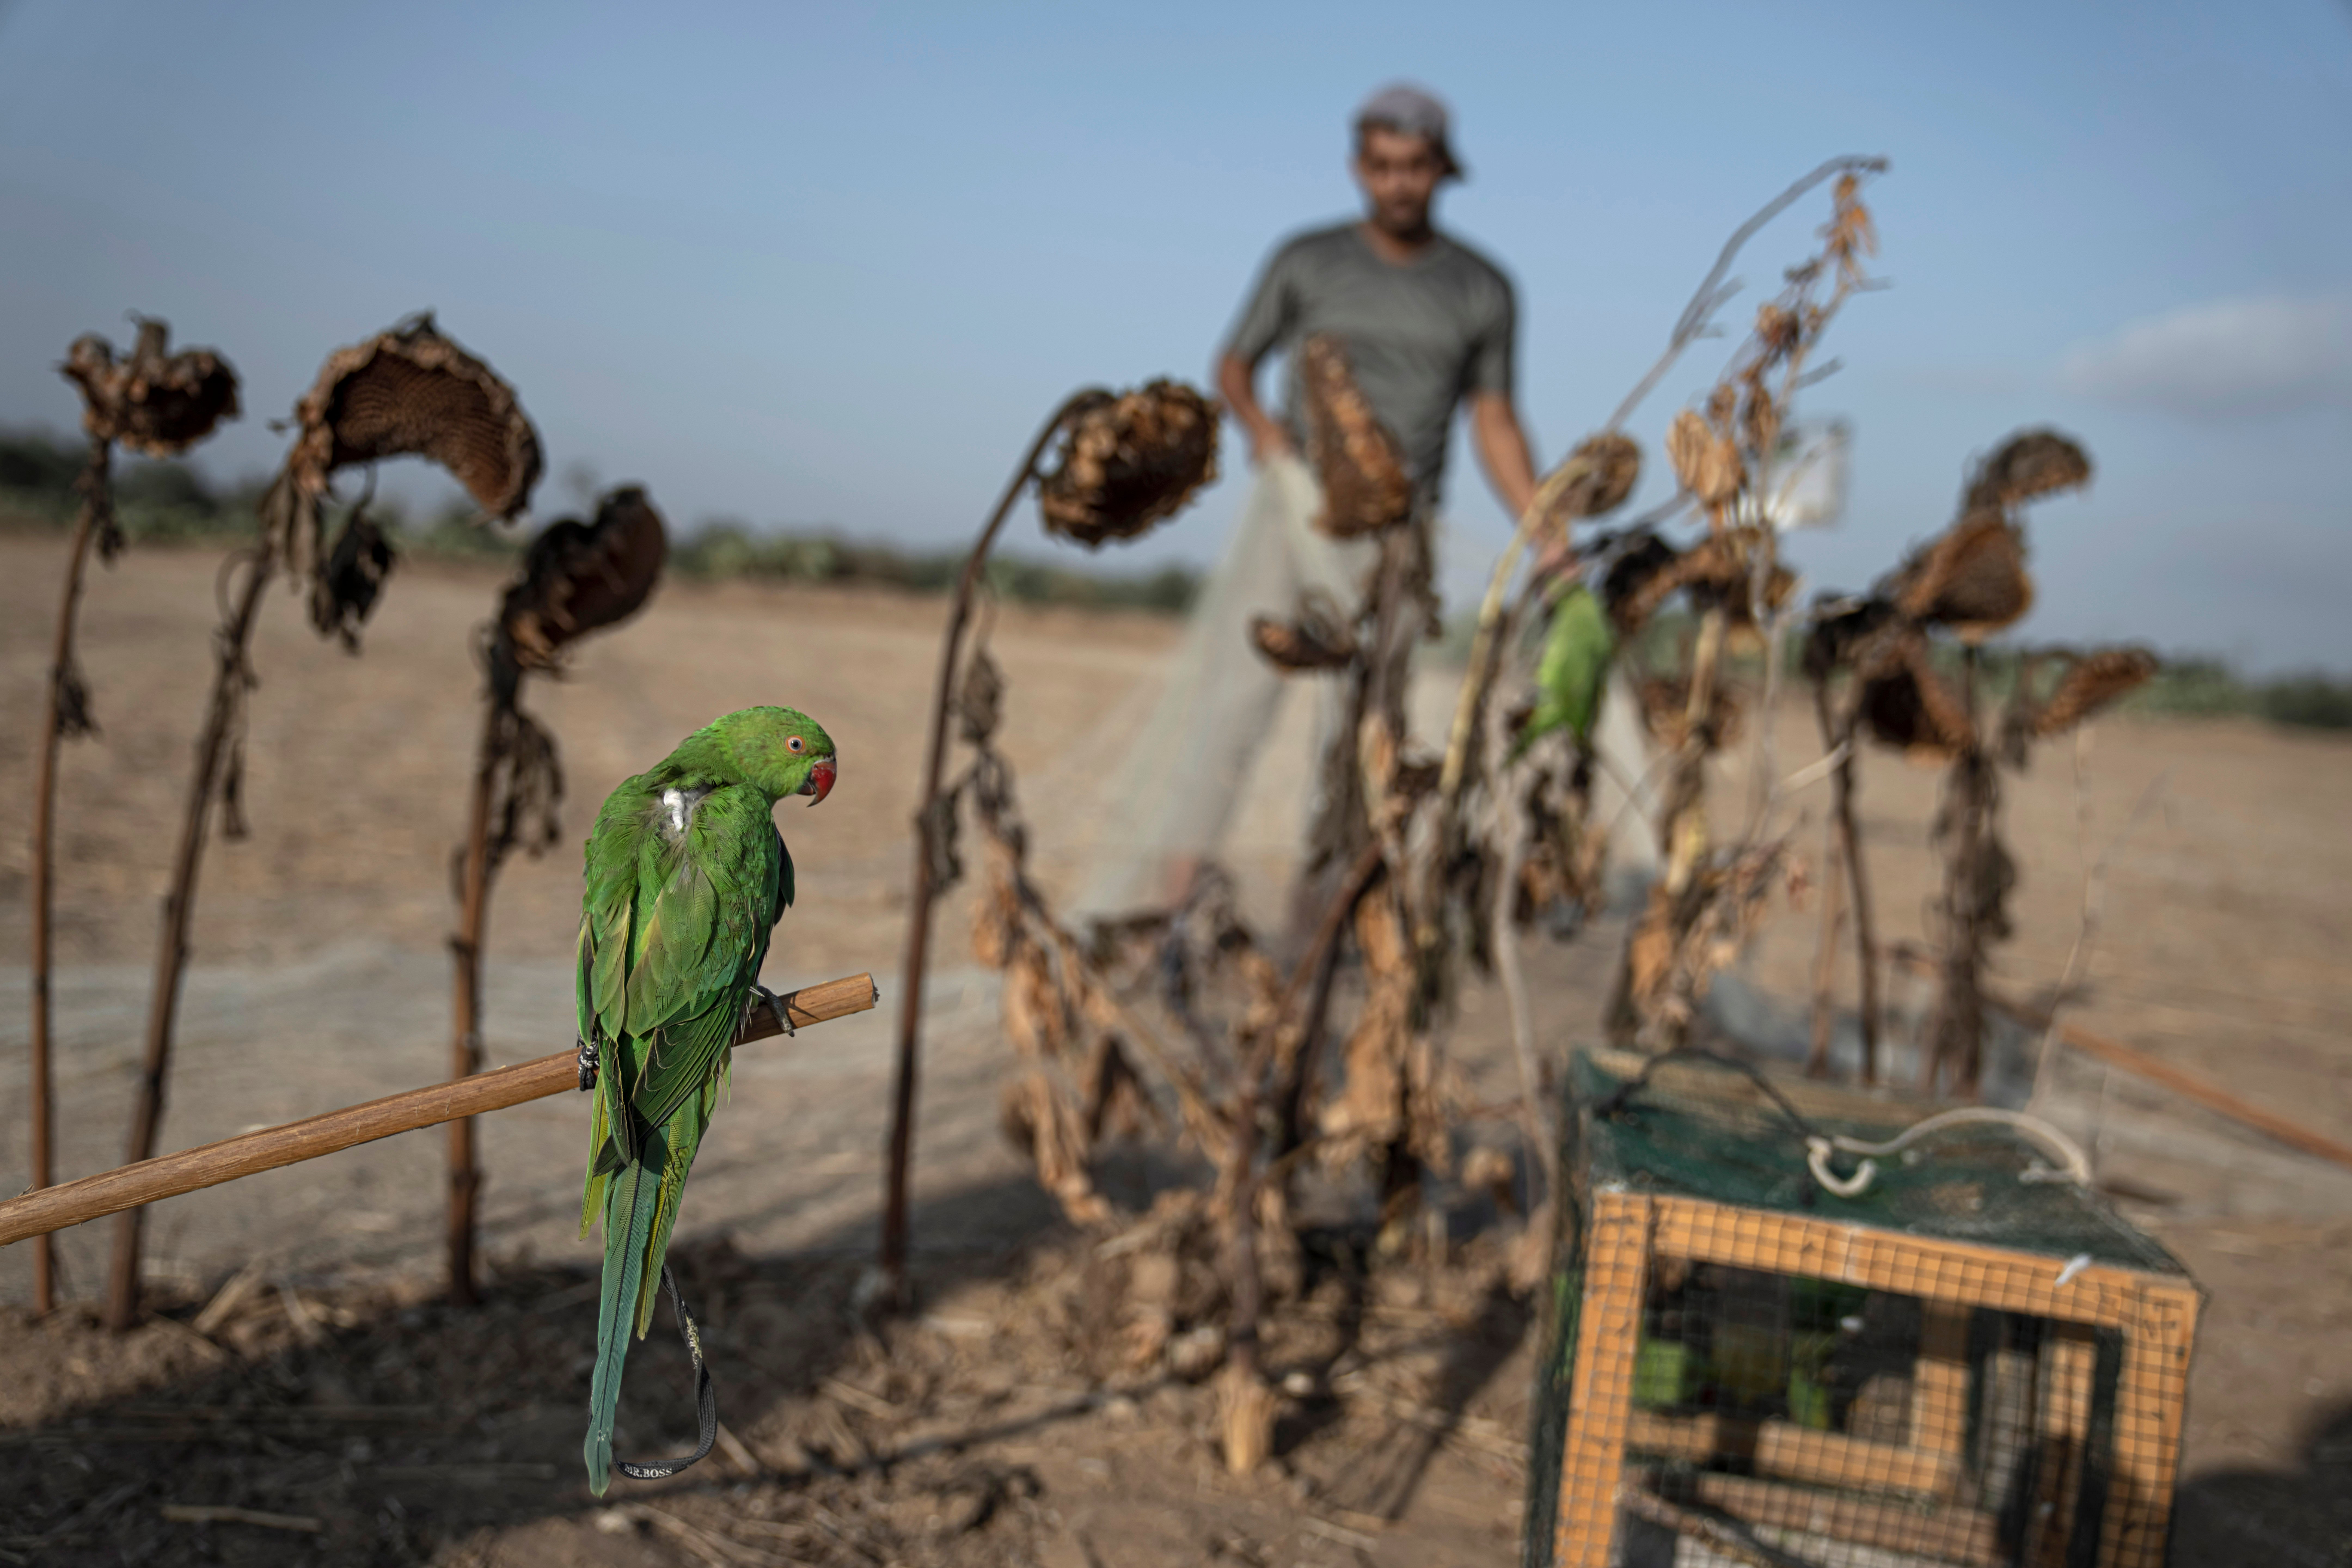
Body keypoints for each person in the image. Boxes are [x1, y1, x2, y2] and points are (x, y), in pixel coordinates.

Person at [1076, 83, 1596, 926]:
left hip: (1399, 540)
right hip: (1296, 519)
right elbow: (1234, 366)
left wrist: (1547, 532)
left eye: (1414, 167)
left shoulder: (1482, 288)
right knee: (1233, 706)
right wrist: (1265, 434)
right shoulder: (1307, 260)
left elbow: (1495, 418)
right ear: (1359, 168)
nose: (1397, 183)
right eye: (1381, 166)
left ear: (1442, 170)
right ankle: (1173, 907)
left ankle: (1318, 927)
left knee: (1365, 732)